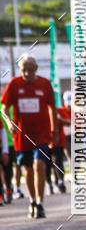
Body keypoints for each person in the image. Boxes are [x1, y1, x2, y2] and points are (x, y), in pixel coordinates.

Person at [0, 53, 58, 218]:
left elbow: (52, 108)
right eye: (24, 70)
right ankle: (32, 200)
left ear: (36, 69)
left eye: (30, 70)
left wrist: (54, 131)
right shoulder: (14, 84)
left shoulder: (45, 84)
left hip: (41, 134)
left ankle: (40, 203)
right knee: (27, 171)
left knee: (39, 165)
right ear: (20, 70)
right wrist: (9, 122)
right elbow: (3, 108)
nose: (27, 73)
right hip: (22, 136)